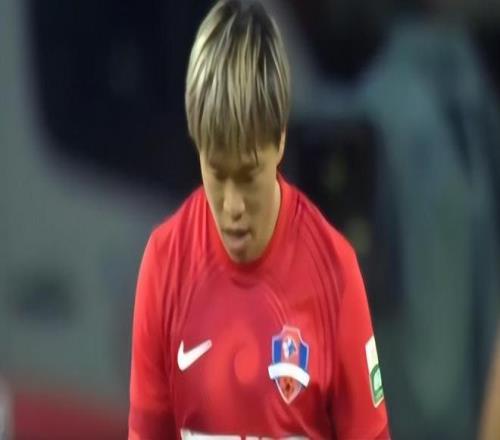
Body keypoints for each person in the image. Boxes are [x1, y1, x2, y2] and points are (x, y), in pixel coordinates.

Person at [128, 1, 390, 438]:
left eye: (248, 176)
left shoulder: (334, 270)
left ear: (280, 140)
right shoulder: (165, 262)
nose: (232, 206)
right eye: (217, 174)